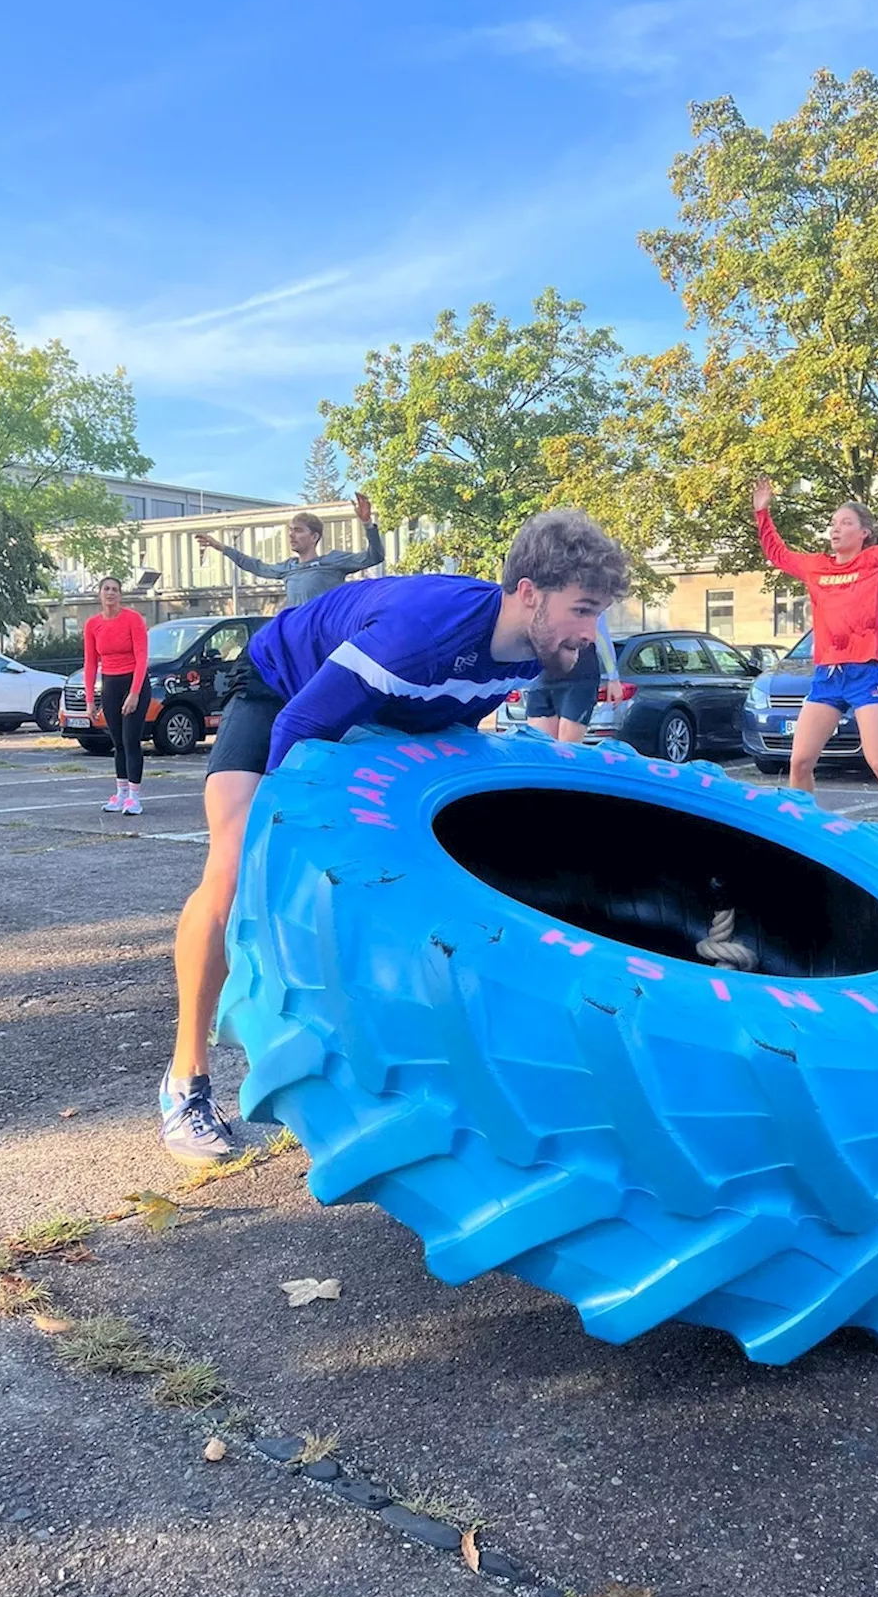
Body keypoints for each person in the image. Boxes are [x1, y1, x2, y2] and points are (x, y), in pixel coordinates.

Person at [159, 509, 629, 1162]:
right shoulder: (419, 634)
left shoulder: (533, 656)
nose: (591, 630)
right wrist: (291, 859)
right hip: (280, 691)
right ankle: (185, 1082)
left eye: (597, 612)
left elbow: (444, 731)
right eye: (583, 609)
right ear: (528, 594)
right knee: (238, 868)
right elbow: (301, 730)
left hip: (371, 712)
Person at [752, 444, 878, 853]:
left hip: (865, 674)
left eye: (844, 523)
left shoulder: (877, 561)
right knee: (800, 761)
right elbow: (776, 553)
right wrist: (763, 513)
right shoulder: (816, 566)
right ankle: (805, 828)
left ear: (863, 532)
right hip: (827, 677)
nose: (835, 529)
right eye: (832, 523)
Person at [194, 495, 384, 607]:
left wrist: (367, 524)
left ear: (314, 537)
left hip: (326, 634)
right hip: (298, 636)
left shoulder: (333, 561)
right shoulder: (288, 567)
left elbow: (374, 556)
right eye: (290, 530)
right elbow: (255, 566)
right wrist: (220, 547)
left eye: (298, 530)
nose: (291, 535)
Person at [83, 577, 150, 817]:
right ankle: (120, 793)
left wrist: (134, 693)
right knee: (118, 742)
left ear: (120, 595)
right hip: (110, 684)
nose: (110, 593)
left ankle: (134, 796)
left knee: (131, 740)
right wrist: (90, 699)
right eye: (106, 589)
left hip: (133, 682)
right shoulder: (92, 624)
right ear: (100, 594)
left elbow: (142, 657)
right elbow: (91, 663)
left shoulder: (133, 619)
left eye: (115, 590)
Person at [525, 613, 622, 743]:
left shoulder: (588, 598)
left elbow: (600, 635)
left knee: (567, 749)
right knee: (541, 748)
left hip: (578, 679)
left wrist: (613, 678)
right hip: (541, 678)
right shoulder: (536, 597)